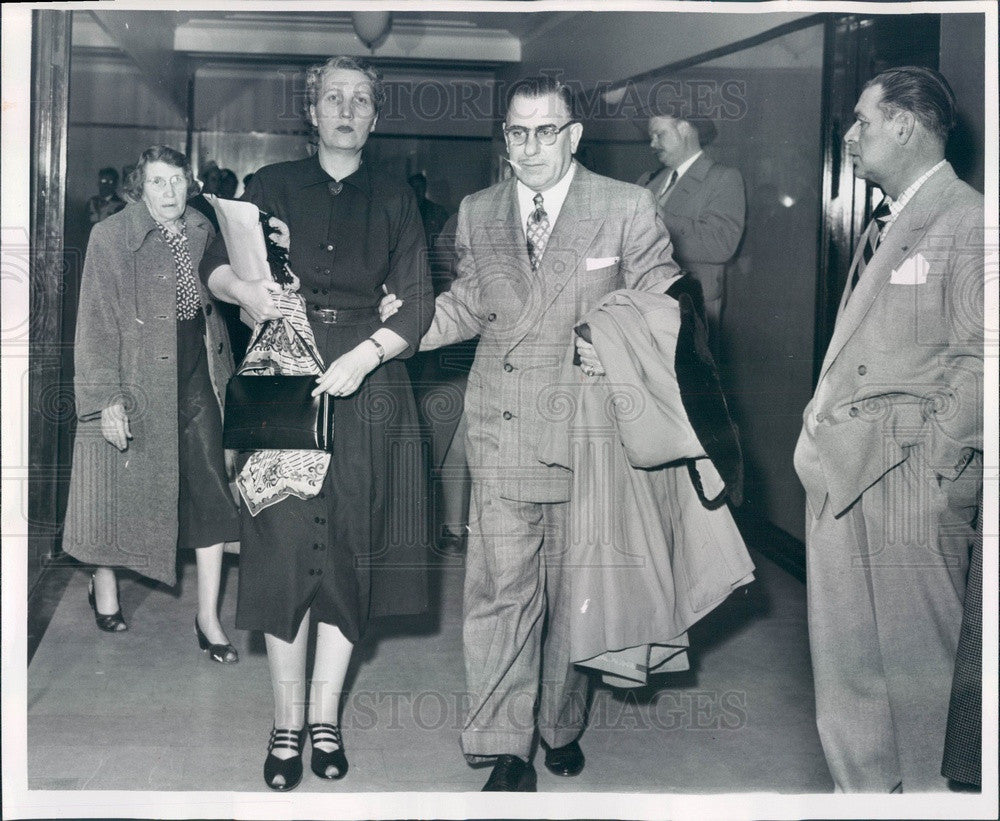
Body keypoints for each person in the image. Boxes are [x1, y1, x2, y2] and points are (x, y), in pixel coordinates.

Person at [384, 75, 681, 791]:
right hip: (504, 426)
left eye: (546, 130)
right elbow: (467, 307)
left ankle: (560, 721)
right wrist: (404, 325)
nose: (530, 146)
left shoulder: (626, 206)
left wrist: (613, 340)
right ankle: (504, 746)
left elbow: (665, 303)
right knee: (500, 594)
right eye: (517, 132)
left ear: (574, 135)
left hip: (590, 435)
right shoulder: (479, 210)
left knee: (574, 594)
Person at [200, 55, 433, 792]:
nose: (345, 108)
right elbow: (214, 260)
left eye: (360, 99)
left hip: (370, 386)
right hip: (283, 382)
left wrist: (367, 355)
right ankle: (286, 721)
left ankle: (326, 716)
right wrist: (243, 287)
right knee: (281, 546)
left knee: (351, 554)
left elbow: (421, 301)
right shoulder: (268, 186)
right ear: (312, 110)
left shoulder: (398, 198)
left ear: (375, 115)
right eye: (333, 97)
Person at [793, 66, 983, 792]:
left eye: (863, 121)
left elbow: (983, 357)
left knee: (919, 676)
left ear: (905, 125)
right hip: (846, 469)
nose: (850, 135)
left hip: (911, 483)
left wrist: (937, 464)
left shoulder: (968, 218)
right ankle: (862, 796)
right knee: (849, 666)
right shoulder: (890, 219)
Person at [62, 145, 240, 664]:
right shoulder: (110, 236)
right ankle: (104, 581)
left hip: (199, 373)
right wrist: (105, 399)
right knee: (116, 485)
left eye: (178, 182)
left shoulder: (203, 229)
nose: (170, 193)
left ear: (191, 184)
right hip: (135, 375)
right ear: (139, 187)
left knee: (212, 487)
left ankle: (207, 617)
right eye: (158, 183)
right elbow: (94, 323)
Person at [637, 114, 744, 353]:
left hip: (690, 308)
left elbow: (721, 244)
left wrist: (662, 216)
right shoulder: (648, 181)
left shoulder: (723, 178)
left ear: (685, 128)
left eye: (659, 134)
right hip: (647, 303)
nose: (652, 144)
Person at [407, 171, 450, 250]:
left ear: (425, 188)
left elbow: (448, 240)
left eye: (420, 187)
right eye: (414, 188)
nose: (417, 191)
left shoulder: (438, 212)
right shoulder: (404, 213)